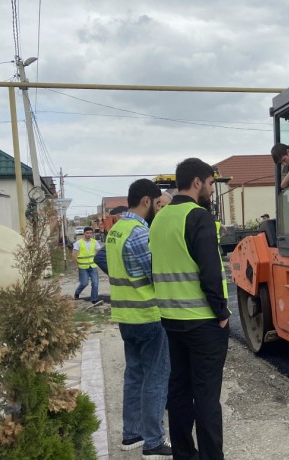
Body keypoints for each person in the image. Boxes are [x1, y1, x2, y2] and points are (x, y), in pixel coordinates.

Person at [149, 158, 230, 460]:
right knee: (207, 398)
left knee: (179, 392)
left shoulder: (159, 219)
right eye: (210, 183)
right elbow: (210, 272)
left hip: (171, 319)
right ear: (197, 182)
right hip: (203, 323)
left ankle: (184, 454)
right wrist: (222, 314)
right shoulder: (198, 217)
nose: (211, 189)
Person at [100, 178, 172, 459]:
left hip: (125, 316)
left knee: (134, 375)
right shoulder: (141, 233)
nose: (158, 209)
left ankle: (132, 434)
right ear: (146, 201)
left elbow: (100, 257)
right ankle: (154, 441)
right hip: (148, 314)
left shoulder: (117, 229)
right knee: (155, 377)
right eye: (157, 204)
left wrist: (126, 279)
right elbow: (155, 272)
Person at [72, 226, 103, 307]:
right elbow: (74, 255)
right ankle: (77, 293)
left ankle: (94, 300)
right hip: (83, 267)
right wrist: (76, 266)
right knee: (84, 283)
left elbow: (100, 252)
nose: (89, 235)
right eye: (87, 233)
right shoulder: (78, 243)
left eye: (90, 233)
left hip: (92, 266)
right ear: (84, 233)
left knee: (95, 283)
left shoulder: (94, 242)